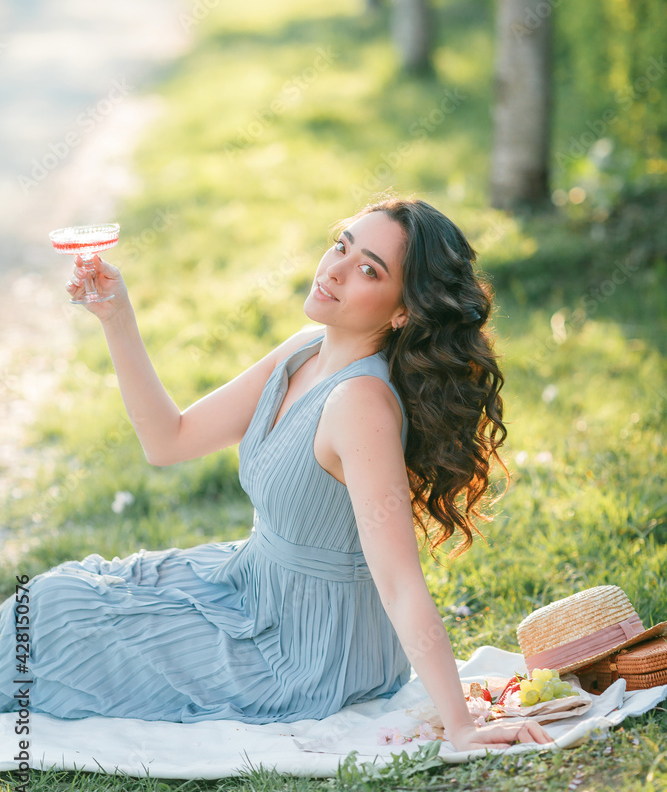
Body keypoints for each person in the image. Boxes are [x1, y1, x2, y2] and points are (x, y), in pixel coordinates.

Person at [0, 195, 552, 752]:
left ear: (402, 310)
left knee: (55, 620)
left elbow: (400, 579)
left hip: (310, 649)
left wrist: (459, 725)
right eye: (342, 245)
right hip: (251, 587)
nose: (334, 269)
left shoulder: (360, 403)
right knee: (54, 598)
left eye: (367, 270)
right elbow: (169, 441)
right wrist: (115, 315)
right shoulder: (305, 351)